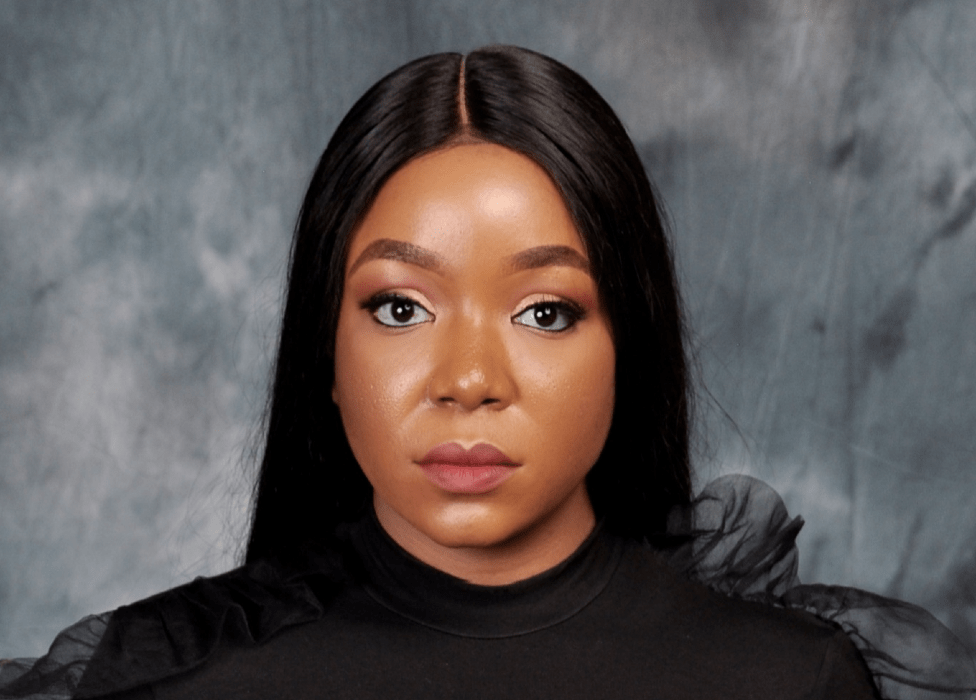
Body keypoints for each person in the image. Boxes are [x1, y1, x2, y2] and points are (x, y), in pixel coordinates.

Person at [1, 45, 973, 699]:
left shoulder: (791, 680)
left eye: (544, 311)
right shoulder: (155, 677)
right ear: (325, 351)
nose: (468, 379)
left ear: (628, 346)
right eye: (400, 308)